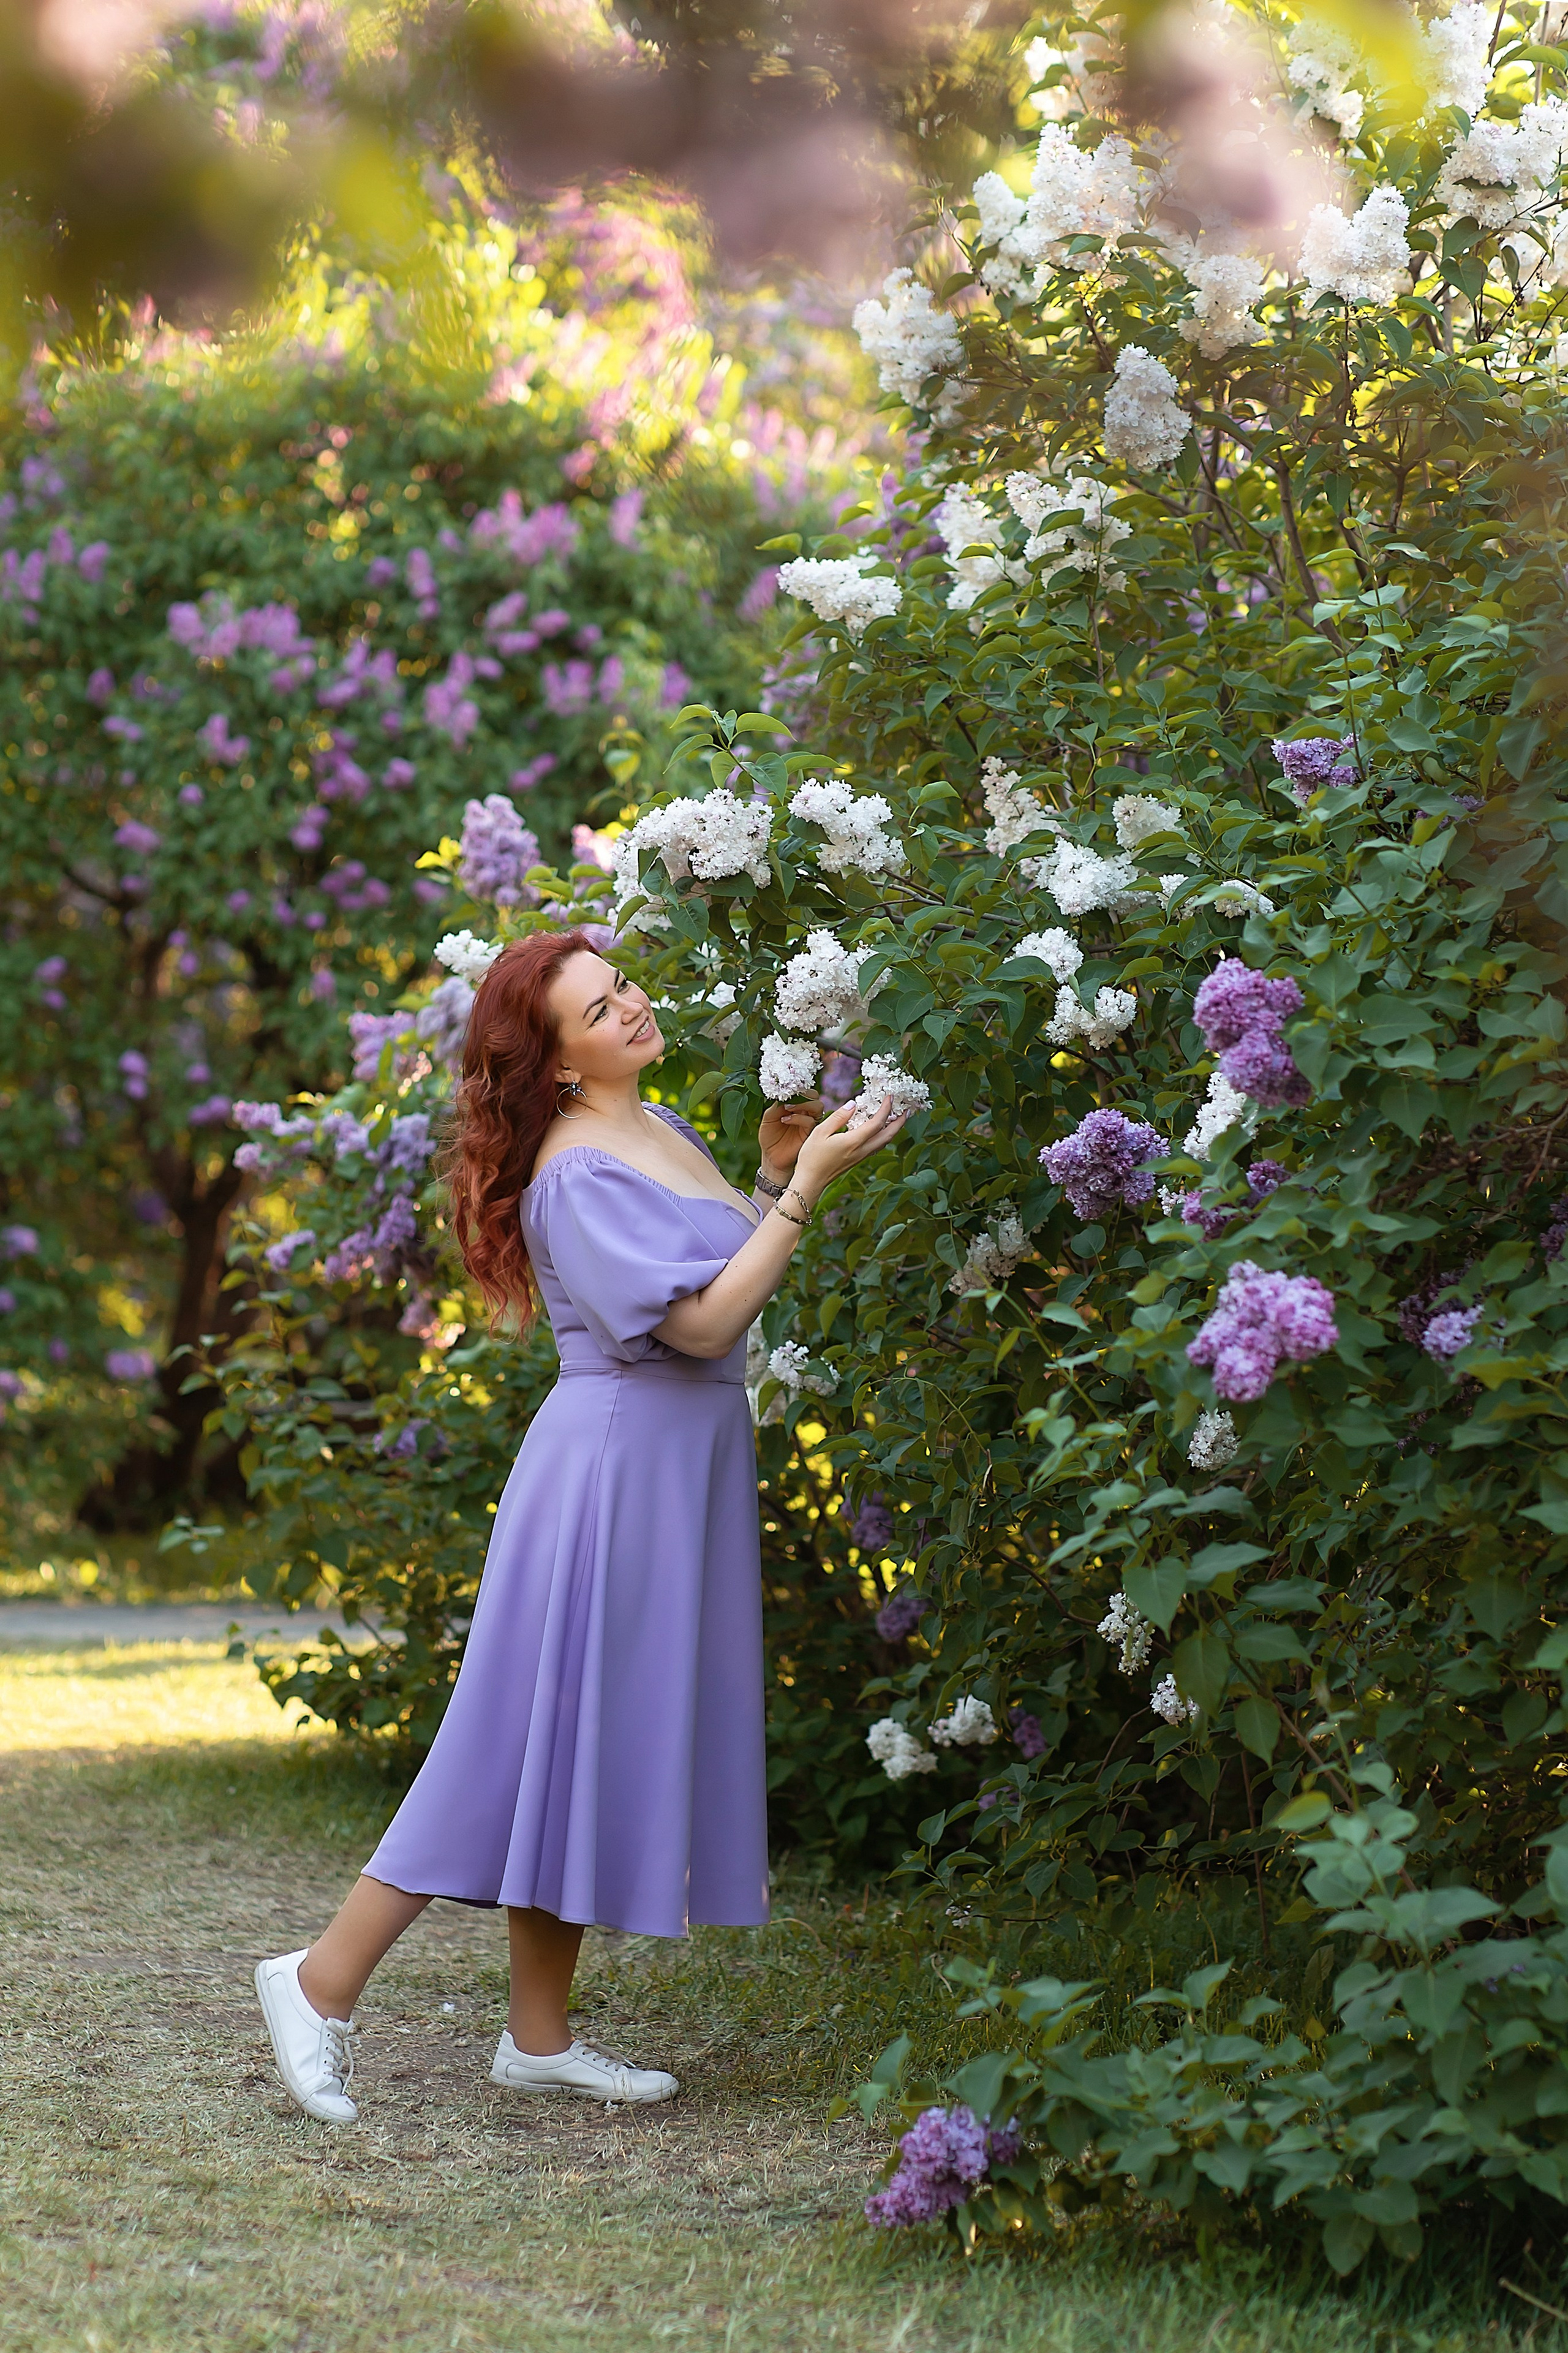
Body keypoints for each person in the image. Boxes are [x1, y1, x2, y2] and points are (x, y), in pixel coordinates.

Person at [254, 929, 907, 2119]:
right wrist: (809, 1193)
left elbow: (723, 1273)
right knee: (507, 1746)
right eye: (599, 1011)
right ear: (556, 1061)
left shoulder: (661, 1129)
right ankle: (317, 1981)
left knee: (577, 1749)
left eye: (624, 988)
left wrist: (769, 1182)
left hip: (673, 1469)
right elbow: (699, 1328)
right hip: (610, 1474)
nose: (632, 1009)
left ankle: (537, 2036)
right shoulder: (575, 1172)